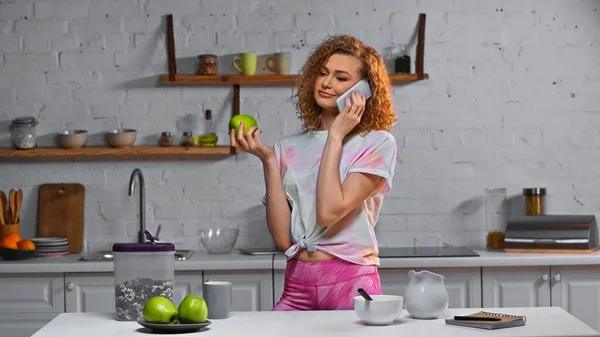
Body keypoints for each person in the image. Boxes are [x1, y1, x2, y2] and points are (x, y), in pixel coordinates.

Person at [230, 35, 398, 311]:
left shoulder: (377, 143)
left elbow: (329, 213)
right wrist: (270, 161)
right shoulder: (287, 148)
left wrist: (335, 135)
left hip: (351, 283)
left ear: (364, 90)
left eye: (341, 78)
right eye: (323, 73)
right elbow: (284, 240)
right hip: (297, 283)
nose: (327, 83)